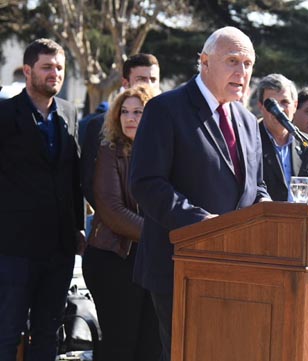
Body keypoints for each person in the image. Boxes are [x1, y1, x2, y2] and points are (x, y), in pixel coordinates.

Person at [129, 26, 270, 361]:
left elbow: (256, 187)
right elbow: (147, 182)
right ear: (204, 62)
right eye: (233, 61)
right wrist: (205, 225)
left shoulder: (248, 121)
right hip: (181, 264)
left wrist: (265, 215)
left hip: (237, 265)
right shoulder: (166, 109)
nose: (242, 72)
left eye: (248, 64)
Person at [0, 38, 84, 360]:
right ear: (27, 70)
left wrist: (78, 226)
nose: (55, 74)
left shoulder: (69, 112)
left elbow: (73, 175)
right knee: (8, 333)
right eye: (47, 67)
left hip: (60, 249)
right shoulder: (5, 114)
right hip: (13, 250)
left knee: (49, 334)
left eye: (60, 68)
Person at [82, 85, 161, 361]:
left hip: (151, 260)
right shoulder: (109, 150)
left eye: (138, 112)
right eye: (125, 112)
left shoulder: (162, 152)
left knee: (151, 347)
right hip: (113, 258)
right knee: (120, 346)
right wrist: (162, 236)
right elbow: (112, 211)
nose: (130, 118)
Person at [81, 53, 160, 208]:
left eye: (153, 80)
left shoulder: (168, 126)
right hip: (114, 223)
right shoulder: (99, 126)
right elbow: (89, 184)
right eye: (142, 79)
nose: (149, 85)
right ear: (125, 83)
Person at [256, 74, 308, 202]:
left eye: (284, 102)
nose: (278, 109)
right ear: (261, 106)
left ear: (295, 106)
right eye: (271, 103)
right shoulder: (249, 142)